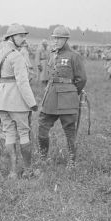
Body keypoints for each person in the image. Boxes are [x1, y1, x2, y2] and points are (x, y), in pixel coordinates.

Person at [0, 24, 38, 179]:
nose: (23, 39)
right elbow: (22, 82)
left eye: (24, 36)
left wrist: (2, 90)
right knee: (24, 133)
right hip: (17, 100)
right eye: (20, 36)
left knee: (9, 133)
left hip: (1, 101)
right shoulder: (17, 56)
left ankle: (12, 172)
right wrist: (32, 103)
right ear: (11, 37)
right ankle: (28, 171)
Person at [37, 25, 87, 169]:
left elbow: (82, 79)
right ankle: (43, 157)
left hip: (68, 99)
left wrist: (71, 92)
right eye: (54, 38)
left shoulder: (74, 56)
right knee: (42, 127)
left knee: (70, 131)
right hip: (51, 97)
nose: (56, 41)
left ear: (66, 39)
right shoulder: (52, 54)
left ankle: (71, 162)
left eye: (59, 38)